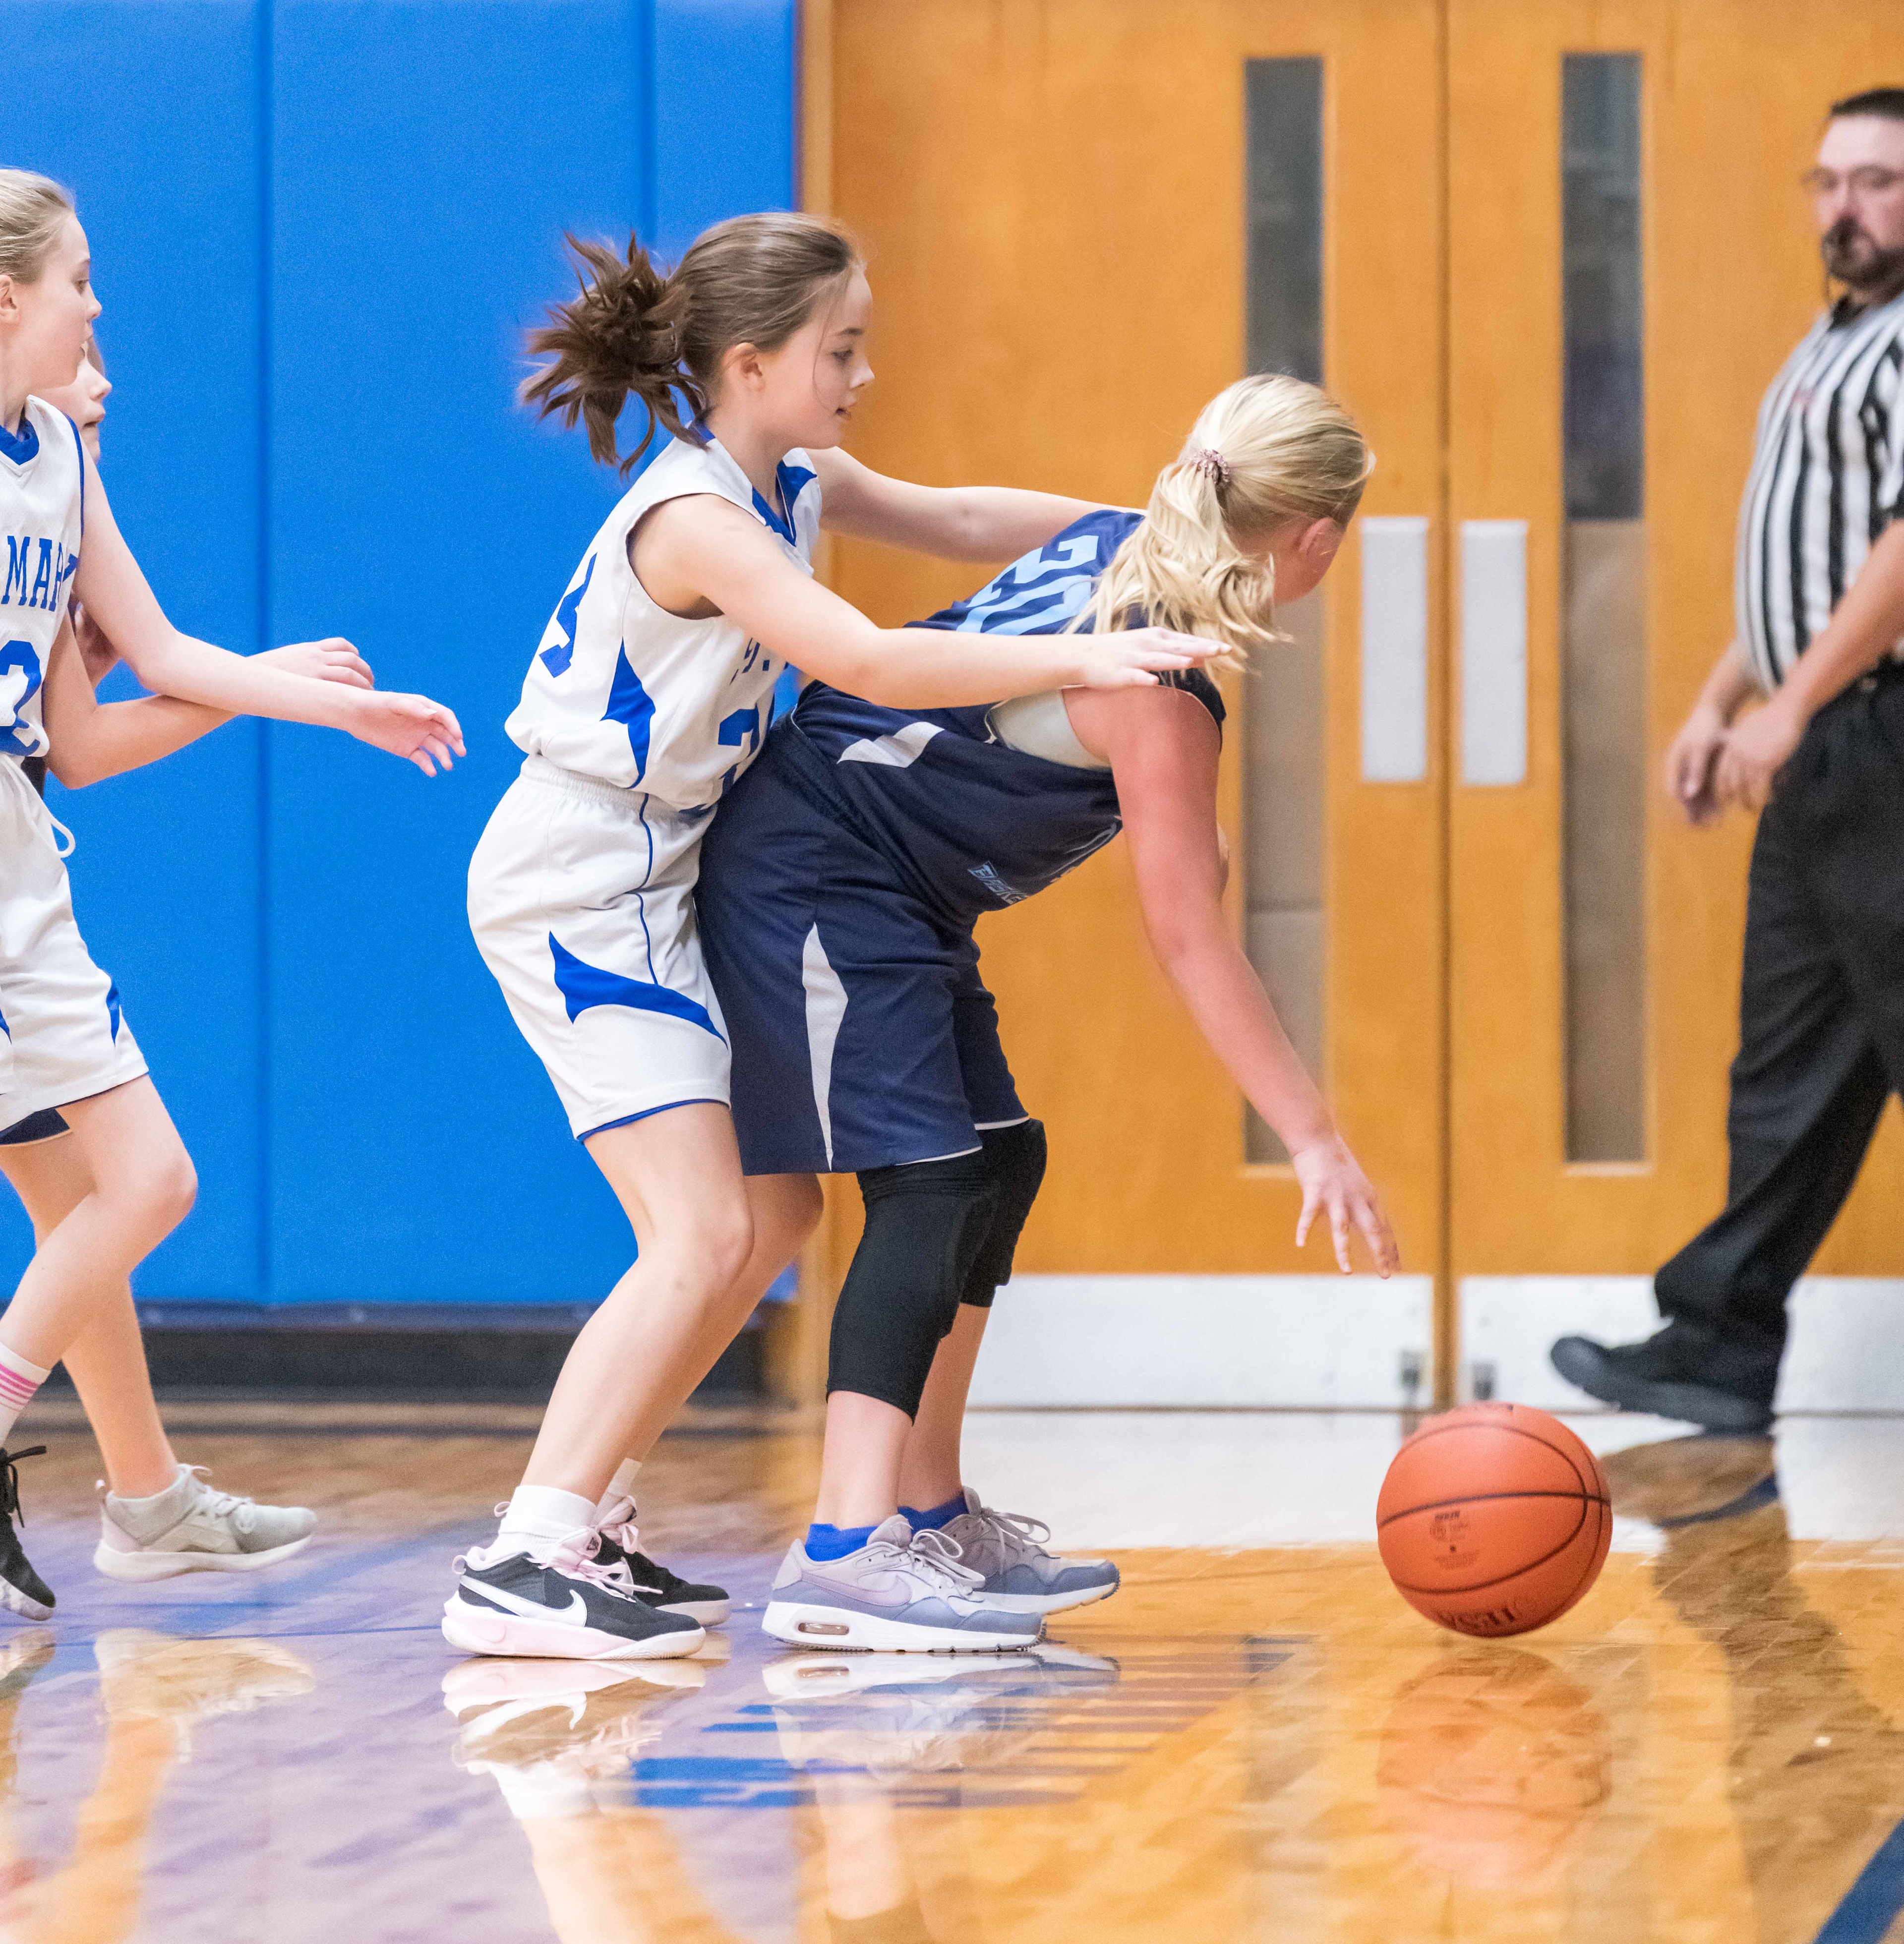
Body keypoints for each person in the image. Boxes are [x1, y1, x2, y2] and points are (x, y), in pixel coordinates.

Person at [449, 210, 1222, 1664]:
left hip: (664, 863)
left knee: (778, 1216)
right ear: (751, 364)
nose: (865, 374)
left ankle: (586, 1514)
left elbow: (965, 519)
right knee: (703, 1229)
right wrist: (1089, 650)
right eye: (841, 349)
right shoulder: (695, 519)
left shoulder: (791, 477)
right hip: (582, 875)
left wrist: (1159, 538)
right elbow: (868, 658)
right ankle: (524, 1551)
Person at [692, 372, 1399, 1652]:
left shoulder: (1117, 537)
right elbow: (1187, 939)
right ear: (1317, 540)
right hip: (818, 874)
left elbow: (959, 521)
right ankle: (843, 1551)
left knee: (997, 1156)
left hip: (890, 887)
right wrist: (1313, 1136)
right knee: (929, 1181)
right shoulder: (1160, 686)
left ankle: (928, 1510)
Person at [0, 169, 463, 1618]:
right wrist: (276, 693)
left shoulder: (57, 462)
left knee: (88, 1192)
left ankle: (146, 1500)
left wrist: (314, 702)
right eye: (79, 280)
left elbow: (128, 692)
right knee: (141, 1182)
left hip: (19, 851)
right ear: (8, 300)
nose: (98, 309)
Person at [1551, 89, 1904, 1433]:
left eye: (1878, 181)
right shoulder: (1837, 336)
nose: (1845, 207)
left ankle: (1718, 1332)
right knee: (1791, 1066)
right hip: (1826, 745)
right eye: (1829, 181)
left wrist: (1794, 704)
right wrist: (1723, 700)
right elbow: (1808, 570)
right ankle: (1717, 1342)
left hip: (1877, 734)